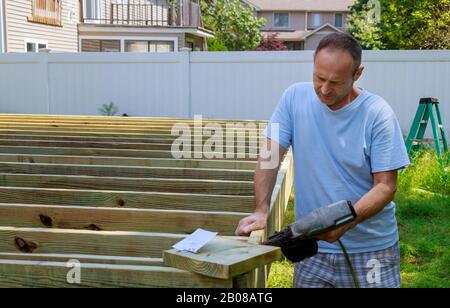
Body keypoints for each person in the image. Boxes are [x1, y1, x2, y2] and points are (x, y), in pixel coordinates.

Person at [235, 33, 410, 288]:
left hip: (371, 251)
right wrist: (262, 210)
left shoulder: (377, 113)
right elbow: (270, 155)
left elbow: (386, 186)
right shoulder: (293, 97)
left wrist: (346, 222)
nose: (325, 89)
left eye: (336, 82)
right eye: (319, 78)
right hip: (312, 247)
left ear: (357, 74)